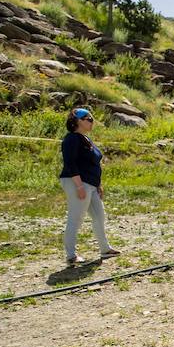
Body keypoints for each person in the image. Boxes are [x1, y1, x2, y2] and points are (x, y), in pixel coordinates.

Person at [59, 108, 119, 265]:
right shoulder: (72, 139)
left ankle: (105, 249)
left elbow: (92, 163)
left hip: (90, 184)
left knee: (99, 216)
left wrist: (98, 184)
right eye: (89, 119)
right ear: (78, 121)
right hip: (78, 182)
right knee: (76, 217)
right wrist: (79, 186)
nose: (92, 122)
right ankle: (71, 255)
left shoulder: (85, 139)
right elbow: (70, 163)